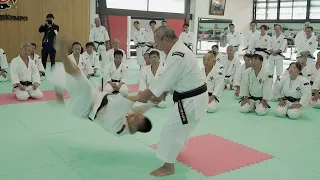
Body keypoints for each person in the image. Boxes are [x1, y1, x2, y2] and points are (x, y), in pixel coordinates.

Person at [137, 26, 208, 177]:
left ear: (166, 39)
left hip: (191, 101)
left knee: (171, 130)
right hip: (190, 98)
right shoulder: (176, 50)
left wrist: (146, 94)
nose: (157, 46)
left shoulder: (178, 54)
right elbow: (176, 78)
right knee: (180, 130)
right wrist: (163, 95)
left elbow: (166, 78)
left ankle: (168, 166)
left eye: (157, 42)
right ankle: (175, 152)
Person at [50, 37, 152, 136]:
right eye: (137, 115)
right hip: (95, 98)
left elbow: (119, 104)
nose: (133, 115)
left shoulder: (119, 128)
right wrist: (154, 98)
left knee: (81, 80)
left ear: (134, 129)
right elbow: (140, 108)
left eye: (135, 118)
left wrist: (138, 97)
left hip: (86, 108)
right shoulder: (132, 119)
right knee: (65, 72)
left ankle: (62, 53)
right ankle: (59, 92)